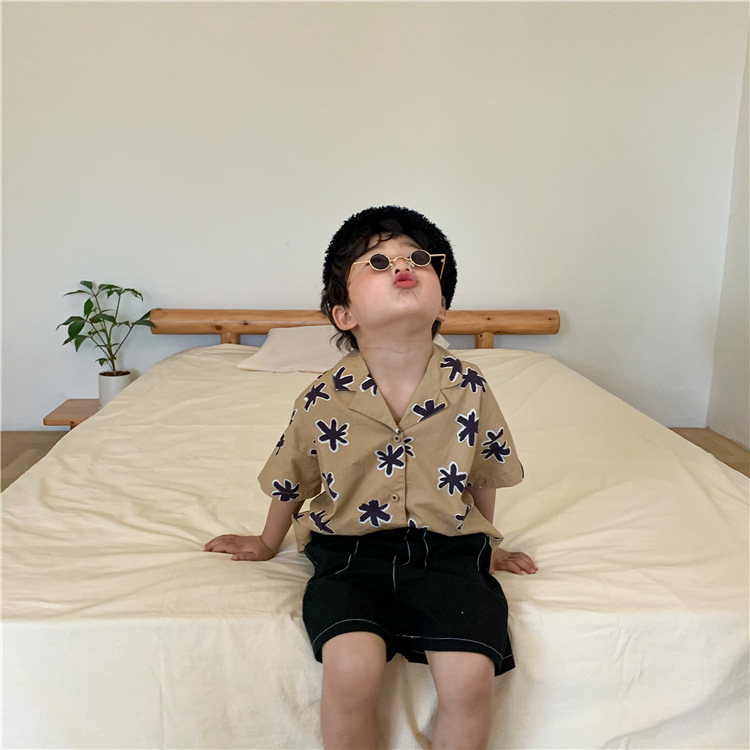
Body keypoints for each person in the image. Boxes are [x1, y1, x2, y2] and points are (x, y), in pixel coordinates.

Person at [204, 205, 538, 750]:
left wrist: (489, 545)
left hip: (448, 549)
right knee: (351, 669)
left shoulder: (468, 386)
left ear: (442, 305)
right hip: (350, 551)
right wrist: (266, 542)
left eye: (418, 259)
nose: (402, 266)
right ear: (344, 314)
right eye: (377, 262)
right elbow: (293, 474)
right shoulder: (323, 395)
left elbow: (484, 469)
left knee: (470, 678)